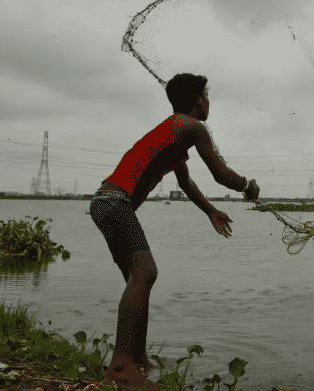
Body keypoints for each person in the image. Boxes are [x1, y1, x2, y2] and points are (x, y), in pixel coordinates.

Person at [90, 73, 260, 391]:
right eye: (206, 96)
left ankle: (138, 360)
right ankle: (121, 370)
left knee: (137, 279)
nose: (208, 102)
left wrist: (210, 211)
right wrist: (247, 185)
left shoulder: (174, 133)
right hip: (115, 203)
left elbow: (185, 182)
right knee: (146, 273)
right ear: (197, 100)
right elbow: (221, 174)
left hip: (104, 203)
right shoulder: (191, 126)